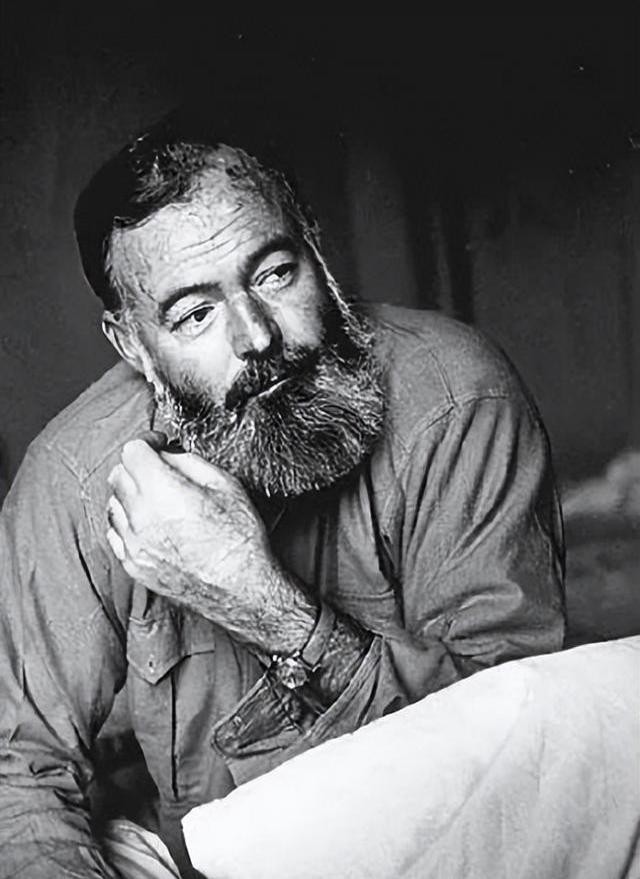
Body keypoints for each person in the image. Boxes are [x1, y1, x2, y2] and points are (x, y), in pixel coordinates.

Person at [0, 113, 565, 878]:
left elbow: (523, 757)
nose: (258, 336)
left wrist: (260, 600)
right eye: (195, 314)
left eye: (273, 273)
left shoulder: (456, 401)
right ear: (133, 344)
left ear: (316, 251)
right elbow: (17, 768)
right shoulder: (74, 475)